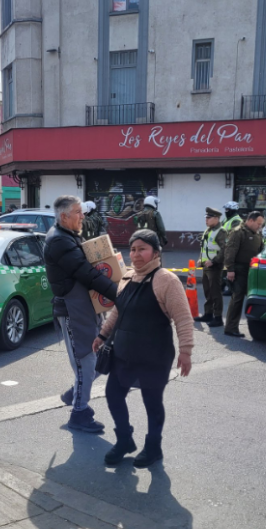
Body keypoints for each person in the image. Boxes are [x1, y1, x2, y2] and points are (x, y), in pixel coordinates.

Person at [92, 230, 195, 468]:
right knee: (113, 394)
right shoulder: (127, 277)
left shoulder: (166, 280)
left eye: (142, 249)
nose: (136, 254)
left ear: (156, 252)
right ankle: (125, 439)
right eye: (133, 249)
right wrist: (103, 334)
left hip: (154, 354)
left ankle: (153, 447)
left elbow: (183, 318)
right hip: (124, 352)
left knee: (152, 401)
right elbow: (118, 311)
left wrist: (186, 351)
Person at [43, 196, 119, 433]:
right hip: (74, 312)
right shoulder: (59, 241)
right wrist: (119, 294)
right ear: (64, 216)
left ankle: (76, 391)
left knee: (99, 358)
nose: (83, 216)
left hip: (86, 309)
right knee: (87, 360)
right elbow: (86, 274)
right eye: (78, 212)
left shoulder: (69, 236)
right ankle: (79, 412)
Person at [222, 211, 266, 338]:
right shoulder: (238, 232)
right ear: (250, 220)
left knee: (254, 298)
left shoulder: (257, 233)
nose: (259, 226)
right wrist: (230, 269)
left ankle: (257, 329)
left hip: (251, 269)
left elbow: (261, 250)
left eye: (261, 224)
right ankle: (230, 327)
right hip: (239, 269)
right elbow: (230, 251)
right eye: (258, 223)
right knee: (237, 298)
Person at [195, 207, 226, 327]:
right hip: (206, 266)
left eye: (209, 218)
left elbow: (224, 250)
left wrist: (214, 261)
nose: (206, 220)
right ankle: (208, 314)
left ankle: (218, 317)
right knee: (208, 291)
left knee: (215, 292)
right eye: (206, 218)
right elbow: (204, 248)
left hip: (215, 267)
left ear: (217, 219)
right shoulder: (208, 230)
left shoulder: (221, 231)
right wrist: (200, 259)